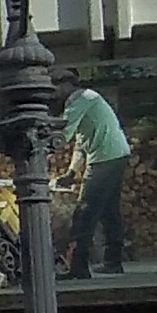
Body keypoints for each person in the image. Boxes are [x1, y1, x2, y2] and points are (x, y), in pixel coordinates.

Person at [60, 72, 130, 277]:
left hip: (104, 158)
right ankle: (113, 262)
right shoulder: (89, 100)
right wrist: (72, 171)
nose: (53, 93)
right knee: (109, 211)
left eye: (55, 87)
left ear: (66, 84)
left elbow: (63, 133)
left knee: (84, 212)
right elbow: (80, 141)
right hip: (116, 155)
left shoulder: (81, 99)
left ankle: (78, 267)